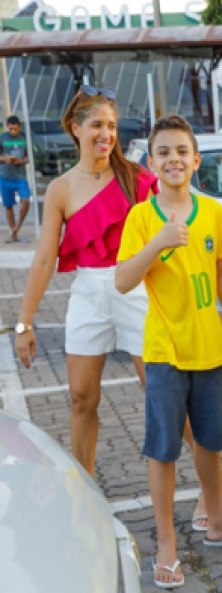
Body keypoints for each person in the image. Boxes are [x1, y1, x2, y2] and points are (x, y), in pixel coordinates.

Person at [116, 115, 222, 589]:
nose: (173, 159)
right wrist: (158, 244)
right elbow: (123, 280)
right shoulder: (142, 218)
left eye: (182, 150)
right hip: (165, 352)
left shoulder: (214, 214)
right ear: (151, 162)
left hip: (209, 349)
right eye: (163, 152)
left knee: (210, 440)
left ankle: (217, 521)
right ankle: (166, 544)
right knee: (162, 449)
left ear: (196, 159)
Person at [14, 85, 158, 476]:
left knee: (162, 395)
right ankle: (85, 488)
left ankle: (208, 497)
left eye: (111, 126)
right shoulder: (61, 188)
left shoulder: (138, 178)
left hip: (137, 289)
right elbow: (45, 258)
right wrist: (24, 322)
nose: (106, 135)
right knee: (80, 399)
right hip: (87, 293)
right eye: (97, 125)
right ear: (75, 129)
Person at [0, 115, 31, 242]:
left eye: (15, 129)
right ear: (7, 127)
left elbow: (29, 157)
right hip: (5, 176)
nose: (13, 131)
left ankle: (17, 227)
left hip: (20, 177)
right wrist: (5, 159)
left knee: (26, 201)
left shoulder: (25, 137)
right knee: (9, 206)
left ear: (20, 127)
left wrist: (22, 161)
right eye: (11, 129)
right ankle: (14, 233)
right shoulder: (2, 138)